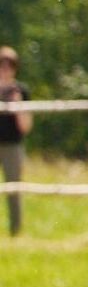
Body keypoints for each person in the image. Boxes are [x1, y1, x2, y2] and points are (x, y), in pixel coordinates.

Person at [0, 46, 32, 236]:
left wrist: (17, 103)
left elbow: (25, 126)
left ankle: (15, 230)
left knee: (14, 188)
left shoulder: (21, 90)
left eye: (9, 66)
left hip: (12, 146)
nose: (4, 69)